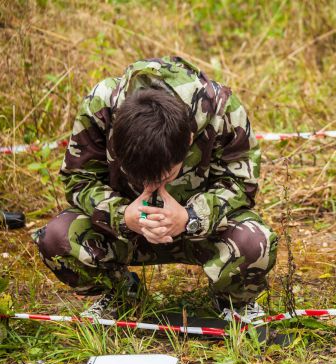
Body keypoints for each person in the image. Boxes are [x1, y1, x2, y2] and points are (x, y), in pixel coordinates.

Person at [33, 56, 278, 322]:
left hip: (201, 232)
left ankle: (231, 300)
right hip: (127, 230)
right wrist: (122, 215)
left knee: (255, 243)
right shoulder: (101, 105)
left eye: (166, 176)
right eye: (142, 178)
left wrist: (192, 217)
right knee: (56, 238)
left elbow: (242, 181)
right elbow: (79, 177)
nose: (153, 188)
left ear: (189, 139)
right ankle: (120, 292)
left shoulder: (220, 109)